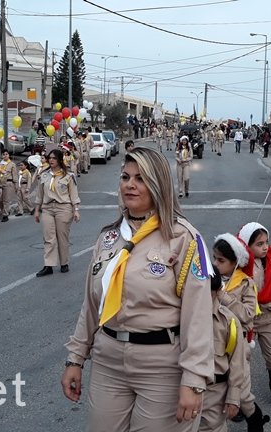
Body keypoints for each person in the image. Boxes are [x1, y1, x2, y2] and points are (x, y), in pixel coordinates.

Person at [61, 147, 214, 431]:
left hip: (161, 367)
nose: (130, 184)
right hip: (108, 363)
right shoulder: (108, 237)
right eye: (125, 177)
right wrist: (76, 357)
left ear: (158, 184)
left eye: (140, 178)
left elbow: (199, 315)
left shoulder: (184, 239)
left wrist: (194, 379)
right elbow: (92, 305)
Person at [211, 233, 269, 427]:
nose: (216, 264)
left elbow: (247, 314)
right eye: (214, 259)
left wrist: (222, 296)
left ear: (235, 262)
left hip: (238, 345)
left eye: (221, 260)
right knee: (217, 388)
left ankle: (256, 421)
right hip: (215, 344)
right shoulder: (210, 279)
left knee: (242, 394)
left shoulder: (245, 283)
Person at [238, 222, 271, 408]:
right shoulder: (240, 267)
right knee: (241, 362)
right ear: (246, 245)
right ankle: (241, 400)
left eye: (266, 242)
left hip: (267, 318)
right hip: (246, 321)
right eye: (259, 244)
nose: (265, 247)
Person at [34, 149, 80, 277]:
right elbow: (39, 194)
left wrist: (76, 210)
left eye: (54, 158)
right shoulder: (44, 175)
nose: (51, 160)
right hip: (47, 208)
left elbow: (74, 195)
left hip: (63, 208)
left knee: (62, 237)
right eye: (50, 158)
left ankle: (64, 262)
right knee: (48, 238)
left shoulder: (68, 176)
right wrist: (37, 211)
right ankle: (48, 265)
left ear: (60, 160)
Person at [0, 151, 17, 223]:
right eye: (3, 154)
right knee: (0, 199)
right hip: (0, 183)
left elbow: (15, 175)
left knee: (6, 199)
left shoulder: (12, 164)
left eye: (6, 154)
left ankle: (5, 214)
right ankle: (1, 212)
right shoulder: (0, 164)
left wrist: (16, 185)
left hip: (8, 182)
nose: (5, 155)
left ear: (9, 155)